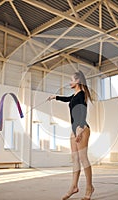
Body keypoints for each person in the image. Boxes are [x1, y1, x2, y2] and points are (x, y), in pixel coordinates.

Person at [47, 70, 94, 200]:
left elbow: (82, 111)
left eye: (72, 80)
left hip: (82, 128)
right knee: (75, 160)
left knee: (83, 158)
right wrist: (54, 97)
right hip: (74, 130)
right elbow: (67, 98)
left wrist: (79, 127)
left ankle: (89, 187)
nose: (70, 82)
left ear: (78, 81)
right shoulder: (74, 95)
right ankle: (74, 186)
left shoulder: (81, 95)